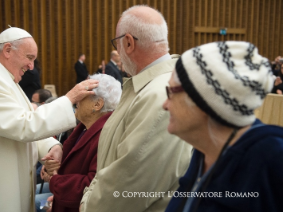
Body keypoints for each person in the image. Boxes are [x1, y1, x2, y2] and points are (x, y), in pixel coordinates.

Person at [0, 27, 98, 212]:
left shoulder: (4, 78)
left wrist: (52, 147)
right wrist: (69, 99)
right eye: (29, 57)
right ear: (8, 50)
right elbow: (22, 125)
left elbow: (22, 119)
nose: (31, 66)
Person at [80, 5, 192, 212]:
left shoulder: (158, 95)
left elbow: (126, 188)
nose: (119, 53)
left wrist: (87, 203)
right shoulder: (151, 87)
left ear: (129, 42)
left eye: (117, 44)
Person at [164, 41, 283, 212]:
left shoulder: (272, 159)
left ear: (202, 100)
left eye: (171, 92)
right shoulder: (204, 152)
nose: (165, 104)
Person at [43, 74, 122, 212]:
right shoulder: (85, 128)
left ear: (97, 104)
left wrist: (55, 179)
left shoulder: (106, 135)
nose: (75, 101)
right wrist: (54, 165)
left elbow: (92, 185)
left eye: (82, 95)